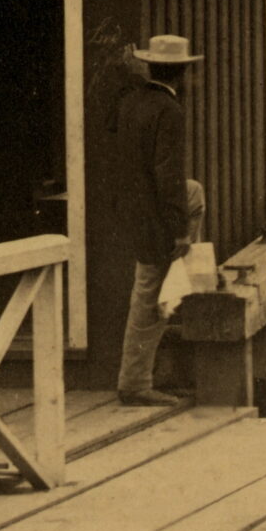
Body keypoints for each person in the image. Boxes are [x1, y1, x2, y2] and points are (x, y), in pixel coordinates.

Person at [105, 34, 207, 406]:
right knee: (150, 296)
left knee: (194, 191)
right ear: (181, 73)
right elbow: (167, 174)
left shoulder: (130, 100)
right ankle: (134, 384)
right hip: (153, 216)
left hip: (130, 205)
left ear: (150, 66)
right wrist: (179, 231)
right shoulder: (169, 110)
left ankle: (181, 264)